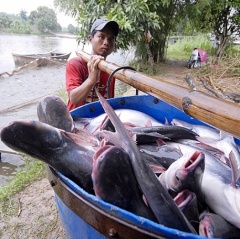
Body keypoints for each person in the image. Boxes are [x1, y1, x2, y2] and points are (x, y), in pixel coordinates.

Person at [66, 18, 119, 111]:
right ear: (90, 39)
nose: (106, 42)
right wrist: (91, 79)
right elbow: (74, 99)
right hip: (76, 120)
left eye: (111, 39)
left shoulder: (111, 70)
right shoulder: (75, 64)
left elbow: (109, 100)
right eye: (101, 37)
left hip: (99, 120)